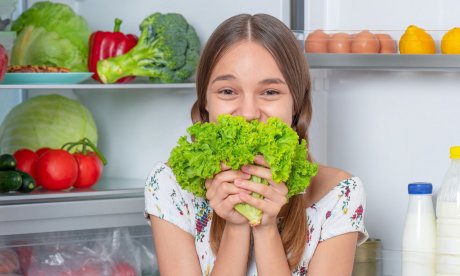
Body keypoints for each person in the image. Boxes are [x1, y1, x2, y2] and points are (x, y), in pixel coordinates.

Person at [144, 13, 368, 276]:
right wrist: (236, 227)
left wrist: (264, 228)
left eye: (270, 92)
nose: (249, 113)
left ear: (296, 103)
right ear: (205, 100)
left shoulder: (339, 195)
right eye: (228, 91)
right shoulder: (170, 187)